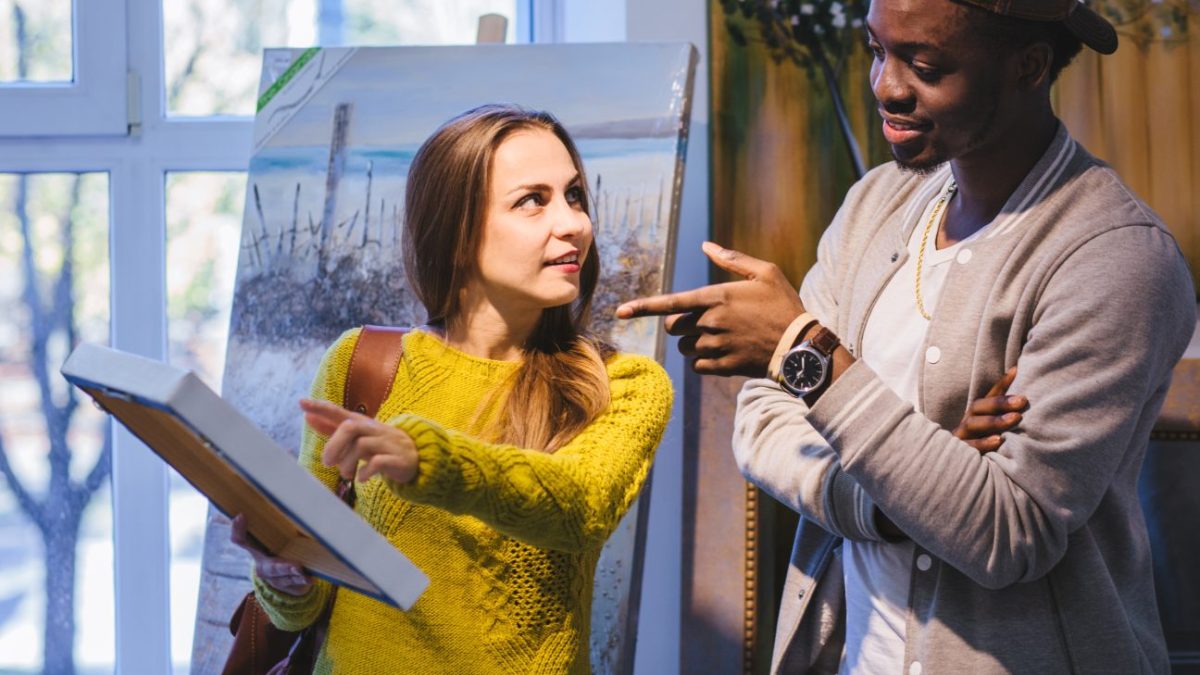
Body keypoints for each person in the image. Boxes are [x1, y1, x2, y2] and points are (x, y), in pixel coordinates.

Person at [618, 1, 1194, 672]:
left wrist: (808, 353)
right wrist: (890, 497)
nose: (887, 86)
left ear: (1028, 67)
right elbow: (763, 422)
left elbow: (1007, 532)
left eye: (924, 65)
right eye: (876, 50)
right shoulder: (876, 205)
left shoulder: (1114, 257)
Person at [231, 103, 673, 674]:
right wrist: (282, 576)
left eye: (574, 195)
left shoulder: (622, 386)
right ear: (457, 232)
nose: (574, 223)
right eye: (533, 200)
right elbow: (305, 603)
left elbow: (575, 506)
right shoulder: (362, 364)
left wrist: (424, 458)